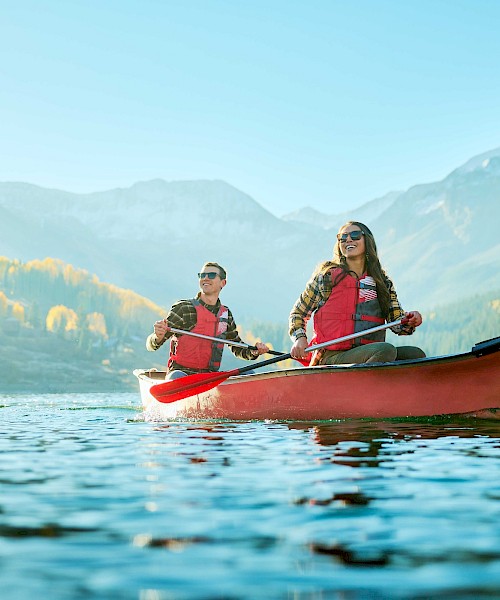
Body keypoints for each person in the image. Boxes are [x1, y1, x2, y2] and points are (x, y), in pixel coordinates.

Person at [289, 221, 425, 365]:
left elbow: (397, 323)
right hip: (331, 357)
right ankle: (363, 384)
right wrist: (300, 339)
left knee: (415, 354)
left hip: (369, 353)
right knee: (386, 350)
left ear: (367, 240)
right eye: (343, 237)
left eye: (355, 235)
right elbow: (298, 313)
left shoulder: (382, 282)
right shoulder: (326, 277)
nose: (348, 239)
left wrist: (410, 321)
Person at [147, 262, 269, 379]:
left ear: (223, 282)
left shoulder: (225, 315)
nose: (205, 278)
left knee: (249, 374)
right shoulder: (184, 308)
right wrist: (157, 336)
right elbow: (152, 345)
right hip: (181, 375)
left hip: (209, 377)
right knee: (177, 376)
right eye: (202, 275)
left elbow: (238, 348)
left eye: (211, 275)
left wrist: (255, 352)